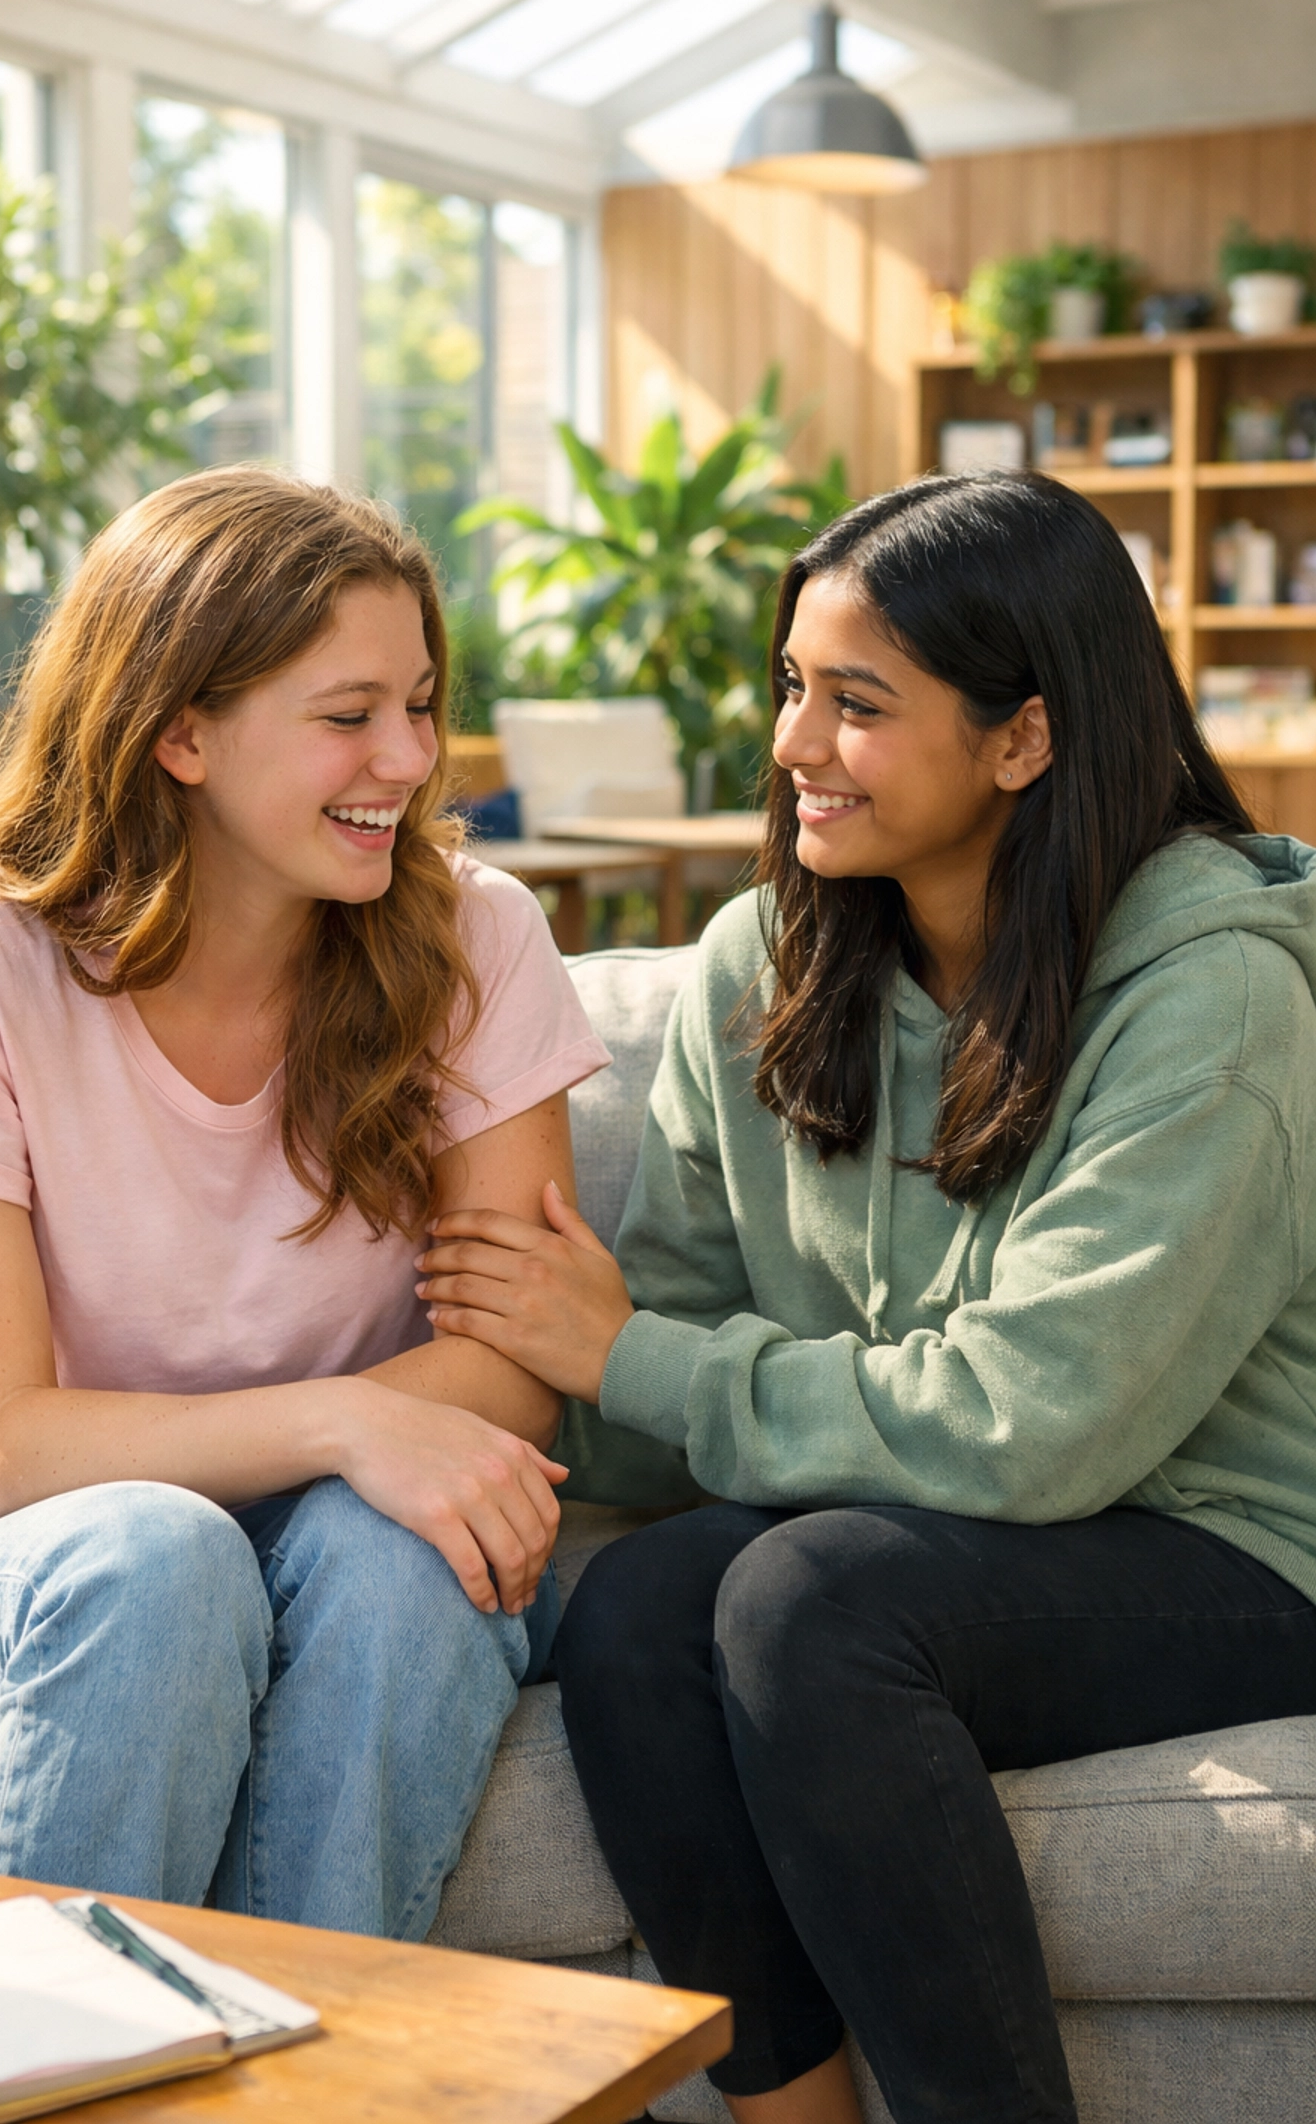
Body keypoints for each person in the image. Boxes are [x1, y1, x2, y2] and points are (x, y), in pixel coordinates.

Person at [416, 471, 1316, 2124]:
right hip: (926, 1520)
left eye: (859, 704)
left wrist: (633, 1356)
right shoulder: (763, 966)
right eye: (790, 687)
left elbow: (1039, 1430)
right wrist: (480, 1396)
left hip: (1233, 1546)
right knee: (645, 1609)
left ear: (1023, 738)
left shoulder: (1222, 999)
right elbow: (666, 1397)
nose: (793, 745)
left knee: (809, 1600)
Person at [0, 467, 610, 1938]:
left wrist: (354, 1446)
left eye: (421, 704)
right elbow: (3, 1446)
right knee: (157, 1560)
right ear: (180, 729)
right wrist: (345, 1416)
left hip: (348, 1514)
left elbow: (515, 1362)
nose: (410, 758)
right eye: (348, 714)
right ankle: (24, 2074)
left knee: (406, 1568)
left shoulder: (475, 936)